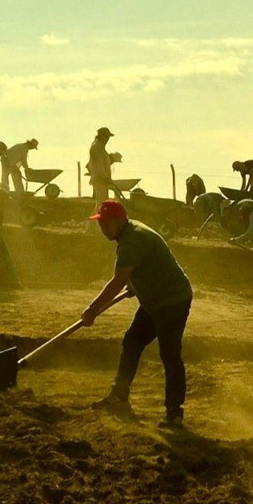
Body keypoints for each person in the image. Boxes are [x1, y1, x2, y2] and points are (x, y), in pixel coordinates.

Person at [81, 200, 193, 428]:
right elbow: (142, 266)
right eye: (100, 224)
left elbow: (117, 281)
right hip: (154, 300)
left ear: (119, 221)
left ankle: (174, 413)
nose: (102, 229)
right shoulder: (131, 232)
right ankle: (119, 396)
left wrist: (93, 309)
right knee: (132, 342)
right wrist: (135, 285)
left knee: (170, 354)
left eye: (105, 224)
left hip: (172, 301)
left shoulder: (131, 241)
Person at [87, 128, 117, 202]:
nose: (107, 139)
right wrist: (105, 177)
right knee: (101, 202)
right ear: (102, 137)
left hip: (102, 179)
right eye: (107, 137)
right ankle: (95, 214)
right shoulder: (97, 147)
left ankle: (95, 214)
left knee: (102, 202)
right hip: (100, 179)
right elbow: (99, 165)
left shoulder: (99, 147)